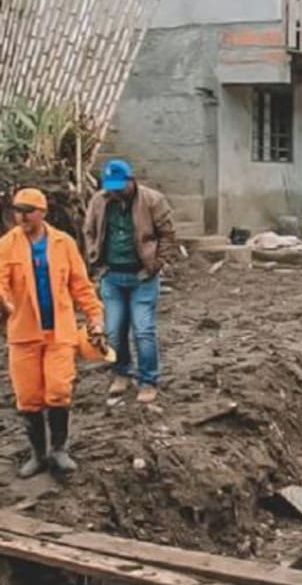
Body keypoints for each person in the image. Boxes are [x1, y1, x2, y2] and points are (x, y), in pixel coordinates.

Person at [0, 188, 105, 477]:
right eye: (17, 211)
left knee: (59, 389)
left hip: (59, 331)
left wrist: (95, 318)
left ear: (42, 213)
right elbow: (2, 283)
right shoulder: (7, 245)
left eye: (28, 211)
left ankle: (59, 449)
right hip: (23, 333)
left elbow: (81, 285)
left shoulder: (63, 243)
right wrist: (5, 301)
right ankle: (38, 454)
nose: (21, 217)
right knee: (28, 396)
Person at [83, 158, 176, 404]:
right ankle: (121, 373)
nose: (114, 191)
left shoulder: (152, 200)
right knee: (114, 331)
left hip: (142, 276)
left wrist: (156, 264)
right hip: (112, 276)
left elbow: (167, 234)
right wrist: (95, 259)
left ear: (130, 180)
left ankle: (148, 380)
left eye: (119, 186)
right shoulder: (99, 201)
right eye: (110, 186)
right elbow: (89, 230)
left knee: (143, 330)